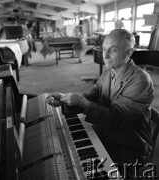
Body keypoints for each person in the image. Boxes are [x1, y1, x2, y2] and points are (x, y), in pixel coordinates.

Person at [46, 29, 154, 177]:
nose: (105, 55)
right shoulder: (108, 72)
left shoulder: (140, 80)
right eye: (104, 48)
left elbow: (116, 118)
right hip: (105, 133)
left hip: (127, 145)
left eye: (113, 50)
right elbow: (93, 95)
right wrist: (66, 100)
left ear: (129, 53)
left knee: (78, 169)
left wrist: (83, 102)